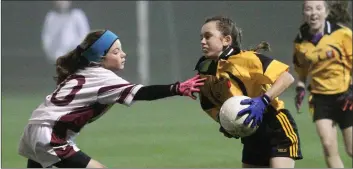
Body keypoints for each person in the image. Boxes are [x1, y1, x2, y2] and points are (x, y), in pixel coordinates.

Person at [18, 29, 206, 168]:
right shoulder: (102, 77)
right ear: (100, 58)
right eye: (116, 52)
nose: (123, 54)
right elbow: (141, 92)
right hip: (51, 135)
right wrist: (177, 88)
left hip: (34, 129)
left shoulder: (82, 72)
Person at [194, 15, 303, 168]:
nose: (202, 41)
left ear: (226, 40)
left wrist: (264, 100)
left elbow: (286, 77)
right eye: (201, 37)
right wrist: (222, 120)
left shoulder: (246, 59)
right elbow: (207, 104)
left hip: (276, 126)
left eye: (208, 36)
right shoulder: (206, 72)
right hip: (250, 133)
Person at [293, 0, 352, 167]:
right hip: (320, 98)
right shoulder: (300, 40)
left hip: (346, 95)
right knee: (328, 145)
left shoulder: (342, 34)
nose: (313, 13)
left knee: (351, 149)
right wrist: (300, 88)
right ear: (304, 14)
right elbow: (301, 69)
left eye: (318, 8)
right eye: (309, 9)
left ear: (326, 12)